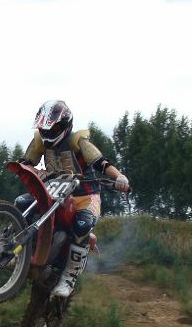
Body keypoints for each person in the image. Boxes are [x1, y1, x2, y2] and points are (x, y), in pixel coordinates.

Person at [16, 100, 130, 298]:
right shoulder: (39, 142)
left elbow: (102, 163)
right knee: (22, 203)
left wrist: (119, 177)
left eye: (53, 129)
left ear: (64, 125)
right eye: (44, 129)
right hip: (54, 191)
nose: (48, 133)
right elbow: (26, 163)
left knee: (82, 224)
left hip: (85, 196)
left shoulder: (78, 141)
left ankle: (69, 277)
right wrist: (32, 169)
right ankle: (16, 249)